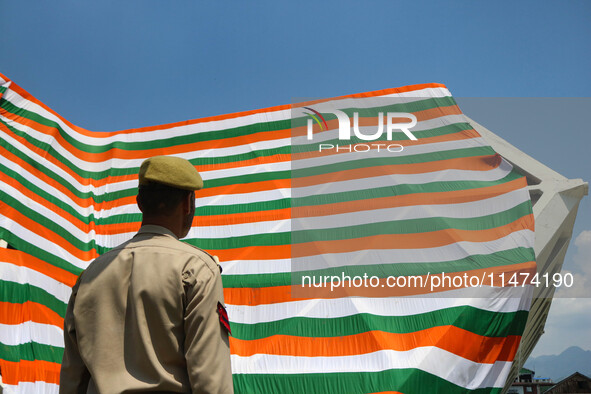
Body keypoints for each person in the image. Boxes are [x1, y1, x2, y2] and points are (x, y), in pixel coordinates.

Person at [60, 156, 233, 393]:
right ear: (188, 204)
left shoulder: (90, 275)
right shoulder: (196, 270)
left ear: (140, 202)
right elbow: (211, 381)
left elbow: (72, 378)